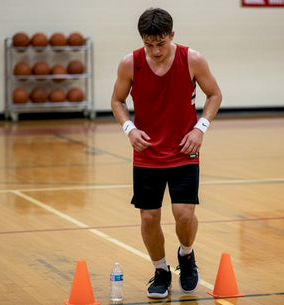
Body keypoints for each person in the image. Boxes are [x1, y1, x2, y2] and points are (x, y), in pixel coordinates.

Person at [110, 7, 222, 299]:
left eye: (161, 43)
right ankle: (160, 270)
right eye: (149, 44)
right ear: (142, 40)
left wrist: (200, 128)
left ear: (172, 35)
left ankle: (186, 255)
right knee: (149, 218)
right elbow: (117, 101)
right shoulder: (129, 63)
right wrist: (129, 130)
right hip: (146, 152)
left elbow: (215, 94)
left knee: (183, 214)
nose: (156, 50)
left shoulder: (192, 59)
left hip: (184, 149)